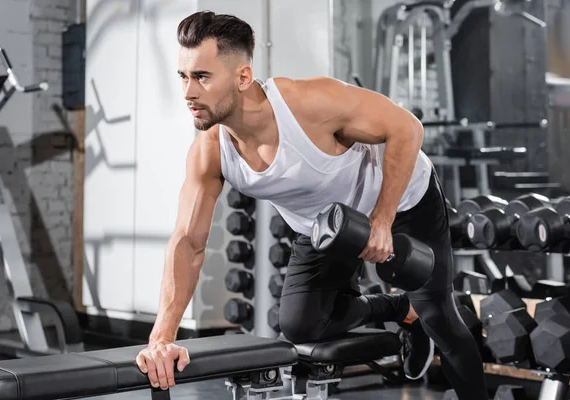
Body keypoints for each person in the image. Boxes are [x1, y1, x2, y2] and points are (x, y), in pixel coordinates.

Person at [134, 10, 487, 399]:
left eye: (201, 77)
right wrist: (161, 337)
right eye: (183, 77)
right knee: (301, 325)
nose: (188, 92)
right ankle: (399, 309)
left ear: (243, 77)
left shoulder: (307, 104)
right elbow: (187, 241)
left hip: (402, 201)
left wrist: (382, 219)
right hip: (323, 227)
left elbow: (406, 127)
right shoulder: (209, 152)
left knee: (441, 318)